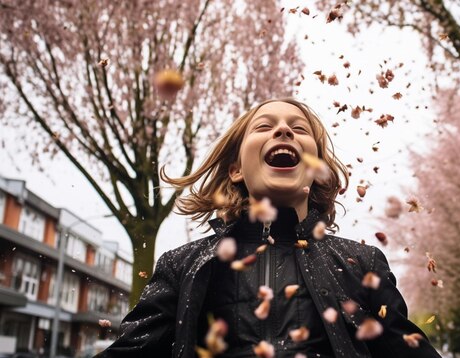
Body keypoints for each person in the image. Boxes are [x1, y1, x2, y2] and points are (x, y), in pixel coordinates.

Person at [96, 98, 440, 358]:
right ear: (236, 170)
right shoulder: (183, 266)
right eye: (264, 126)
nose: (283, 130)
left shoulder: (362, 265)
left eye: (299, 128)